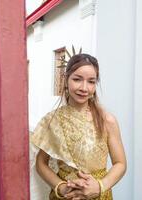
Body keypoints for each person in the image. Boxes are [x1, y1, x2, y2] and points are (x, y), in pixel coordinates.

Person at [30, 53, 126, 200]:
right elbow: (41, 163)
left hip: (99, 194)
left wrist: (100, 186)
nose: (84, 88)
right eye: (77, 79)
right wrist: (61, 187)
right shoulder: (52, 120)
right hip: (65, 196)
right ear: (66, 79)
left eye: (91, 82)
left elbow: (120, 163)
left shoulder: (106, 120)